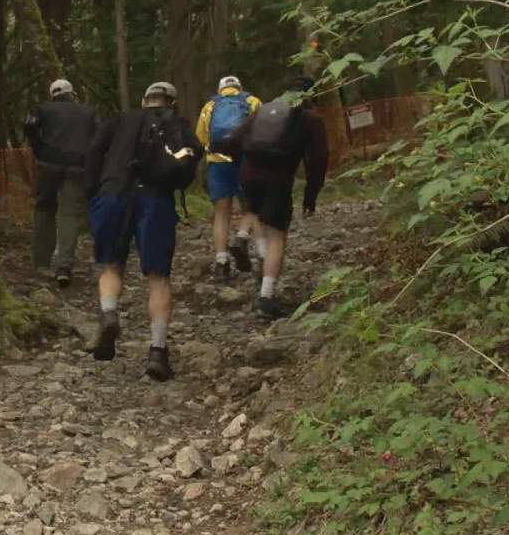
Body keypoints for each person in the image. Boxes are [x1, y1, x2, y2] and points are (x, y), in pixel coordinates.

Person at [85, 82, 201, 381]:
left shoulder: (120, 120)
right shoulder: (177, 124)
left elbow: (94, 153)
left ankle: (109, 314)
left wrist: (94, 192)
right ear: (171, 102)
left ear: (144, 100)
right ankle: (158, 351)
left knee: (112, 265)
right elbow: (188, 167)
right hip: (156, 200)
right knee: (158, 277)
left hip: (113, 194)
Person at [222, 76, 329, 319]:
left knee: (258, 215)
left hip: (249, 175)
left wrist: (244, 165)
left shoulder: (264, 110)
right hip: (278, 179)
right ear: (311, 95)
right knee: (277, 236)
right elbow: (318, 159)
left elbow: (233, 141)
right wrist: (310, 196)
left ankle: (259, 255)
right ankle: (266, 297)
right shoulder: (310, 118)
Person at [25, 79, 102, 287]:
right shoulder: (88, 111)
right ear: (71, 93)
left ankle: (42, 263)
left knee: (44, 209)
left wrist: (40, 150)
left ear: (53, 95)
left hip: (49, 164)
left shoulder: (42, 109)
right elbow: (99, 137)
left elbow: (29, 126)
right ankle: (64, 267)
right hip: (77, 165)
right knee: (69, 214)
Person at [195, 76, 262, 279]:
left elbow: (201, 137)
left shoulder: (210, 106)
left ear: (220, 89)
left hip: (218, 163)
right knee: (252, 208)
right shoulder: (252, 102)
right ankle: (243, 238)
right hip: (245, 161)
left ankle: (221, 262)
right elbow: (262, 130)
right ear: (239, 88)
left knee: (221, 213)